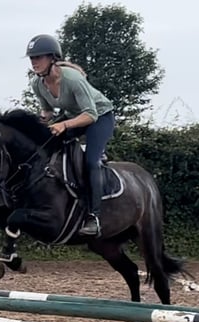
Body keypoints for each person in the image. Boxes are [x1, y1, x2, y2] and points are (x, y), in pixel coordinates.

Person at [25, 34, 115, 238]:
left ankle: (94, 217)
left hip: (100, 117)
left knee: (91, 162)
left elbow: (90, 114)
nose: (34, 62)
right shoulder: (37, 84)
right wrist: (39, 122)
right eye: (32, 58)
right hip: (74, 116)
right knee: (45, 145)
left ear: (52, 58)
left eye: (39, 57)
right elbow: (47, 111)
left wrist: (63, 124)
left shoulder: (73, 79)